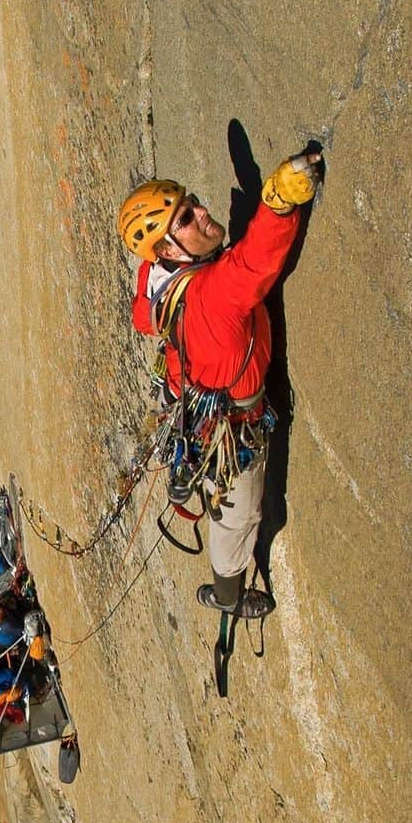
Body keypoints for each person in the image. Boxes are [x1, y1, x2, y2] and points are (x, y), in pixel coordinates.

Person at [118, 149, 321, 618]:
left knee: (227, 499)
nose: (203, 212)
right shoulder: (211, 295)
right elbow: (253, 264)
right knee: (240, 514)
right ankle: (226, 594)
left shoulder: (159, 283)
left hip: (195, 399)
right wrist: (277, 204)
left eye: (190, 203)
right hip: (231, 424)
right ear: (169, 249)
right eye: (187, 217)